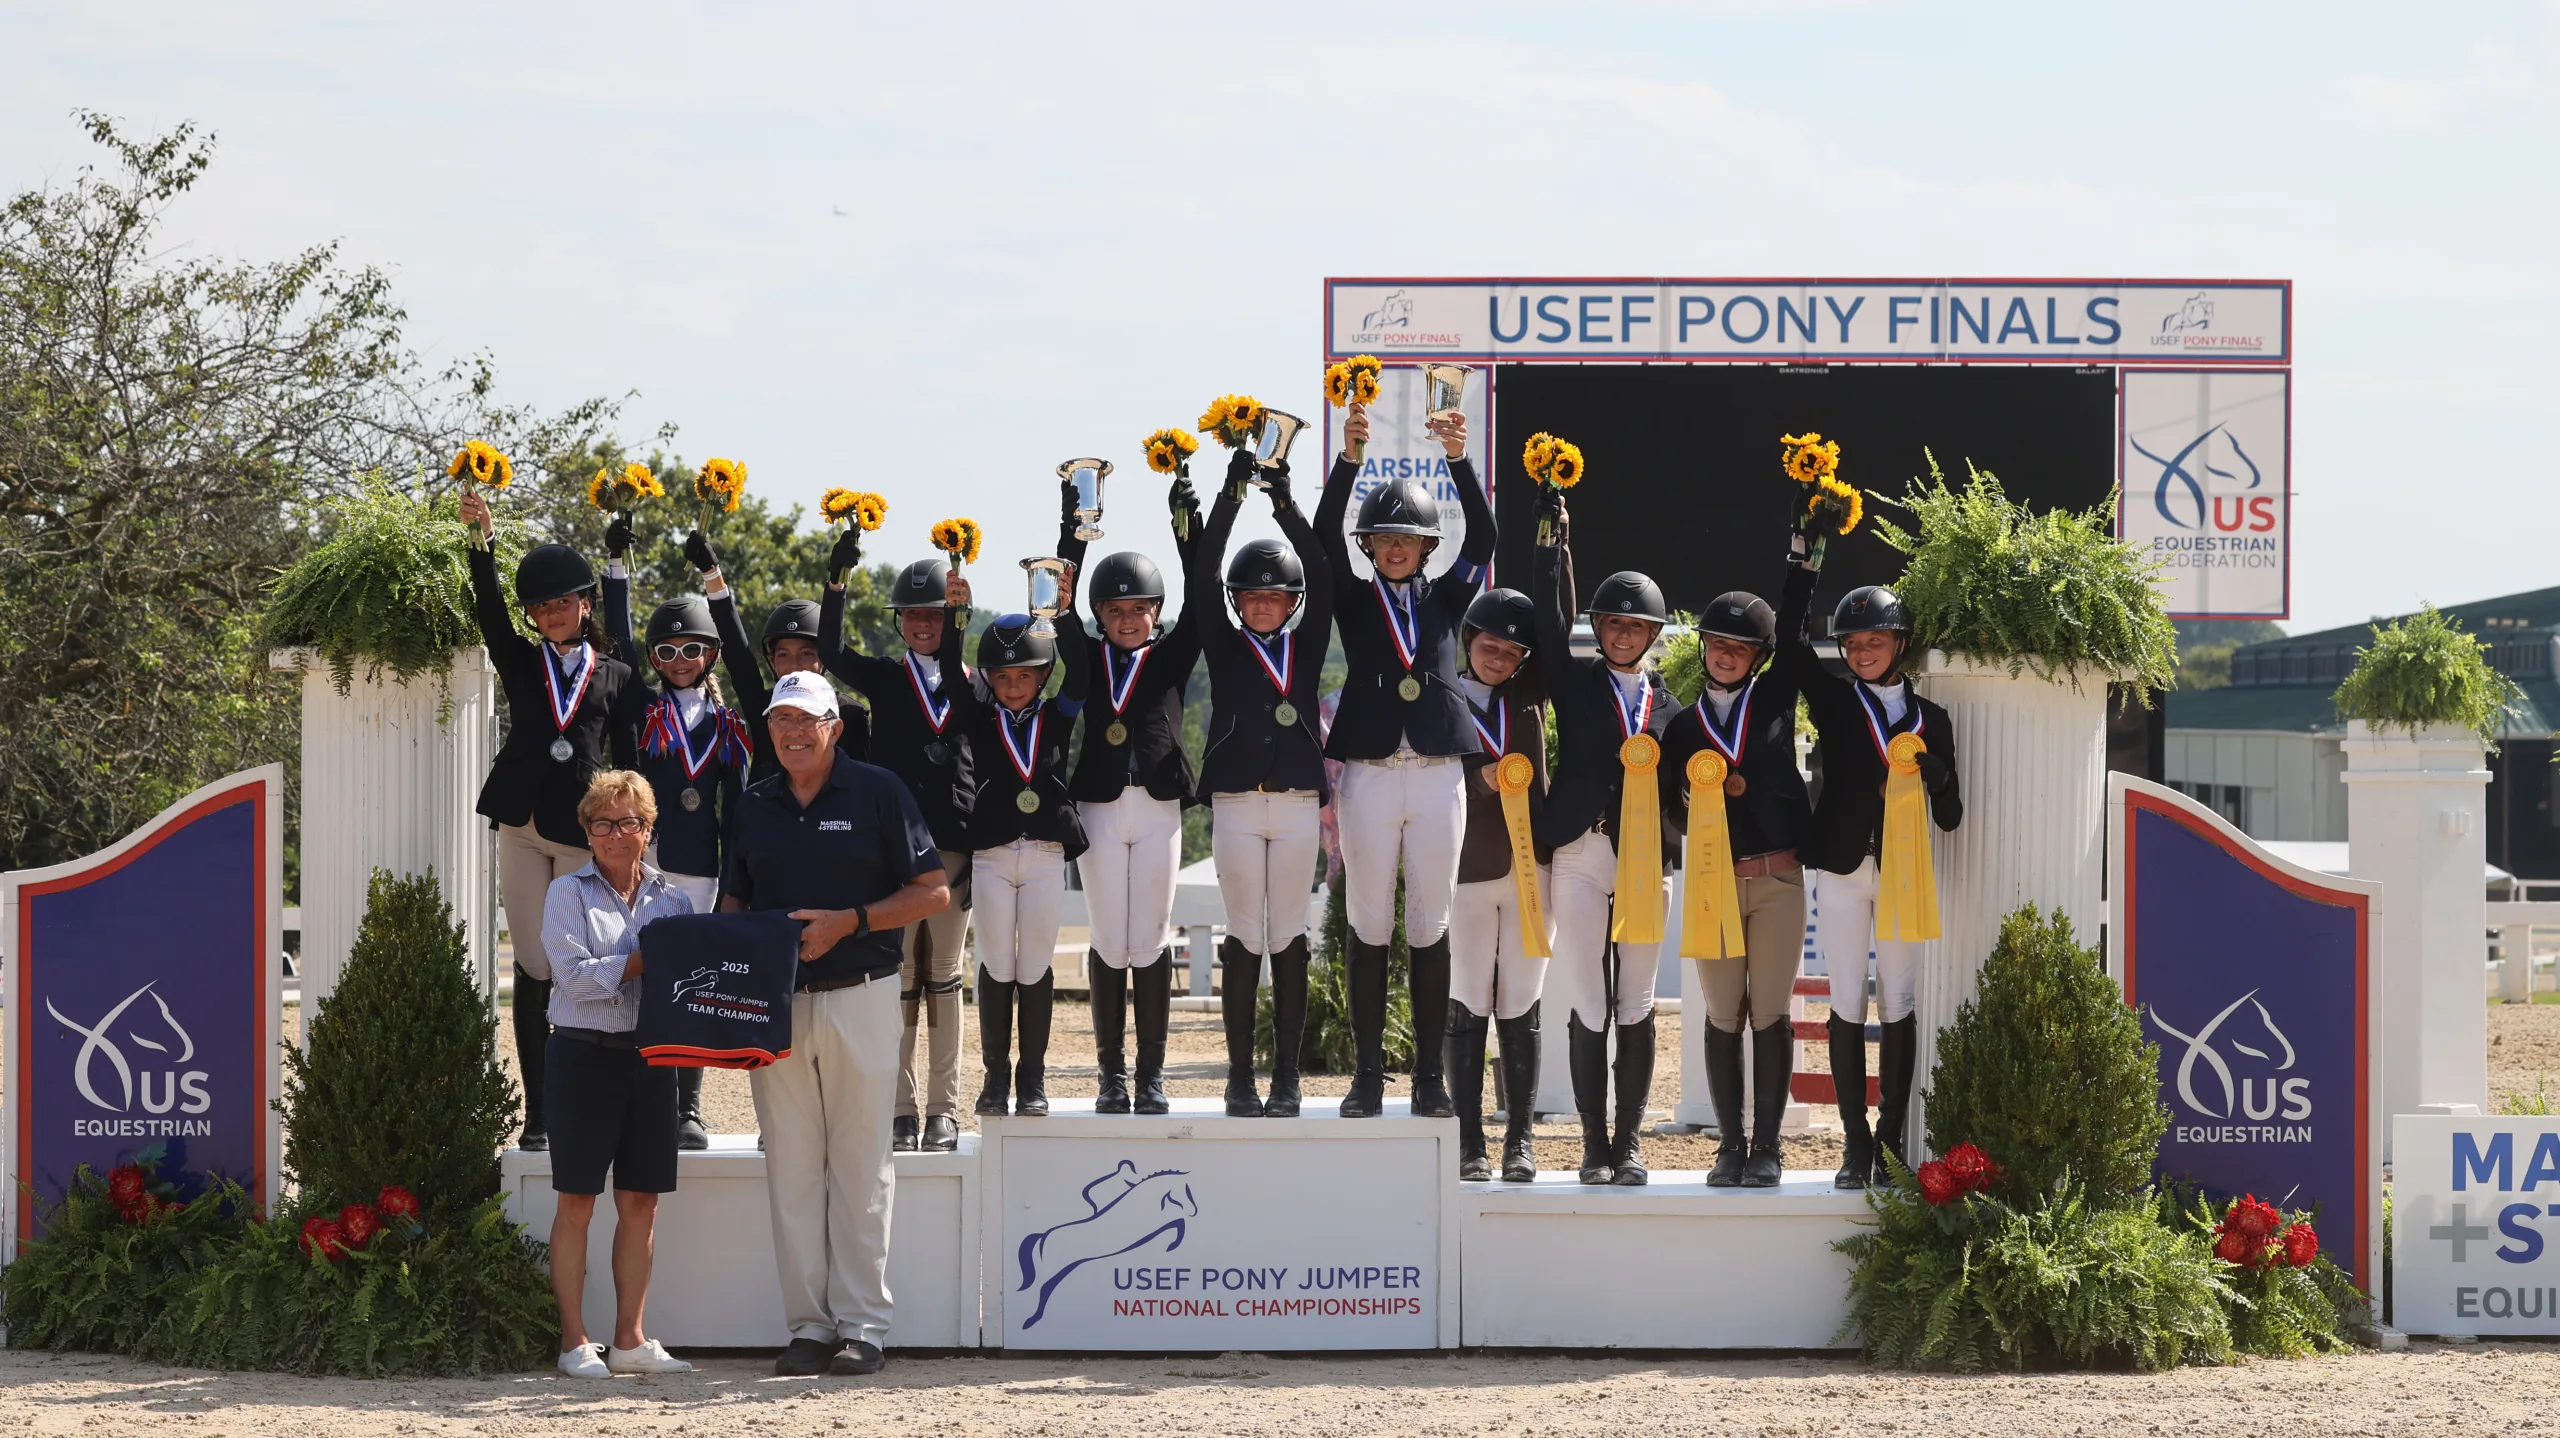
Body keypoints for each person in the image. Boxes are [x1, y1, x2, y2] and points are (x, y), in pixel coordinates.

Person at [721, 670, 951, 1377]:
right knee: (790, 1166)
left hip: (864, 992)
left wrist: (849, 922)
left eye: (807, 720)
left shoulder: (880, 791)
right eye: (781, 720)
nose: (793, 732)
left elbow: (934, 891)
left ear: (835, 728)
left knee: (860, 1164)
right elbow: (733, 904)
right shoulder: (754, 804)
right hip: (779, 1004)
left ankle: (864, 1325)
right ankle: (810, 1326)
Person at [1313, 400, 1495, 1117]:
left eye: (1409, 539)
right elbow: (1323, 535)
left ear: (1425, 547)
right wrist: (1348, 458)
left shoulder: (1451, 597)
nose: (1396, 548)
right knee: (1367, 921)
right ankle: (1365, 1075)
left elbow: (1482, 533)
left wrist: (1458, 460)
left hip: (1436, 774)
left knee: (1431, 921)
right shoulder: (1353, 603)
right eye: (1384, 538)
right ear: (1370, 546)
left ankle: (1428, 1077)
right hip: (1368, 774)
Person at [1776, 531, 1963, 1189]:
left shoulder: (1932, 719)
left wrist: (1936, 774)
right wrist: (1804, 565)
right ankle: (1854, 1146)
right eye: (1852, 645)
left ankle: (1890, 1140)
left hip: (1905, 878)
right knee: (1847, 998)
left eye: (1873, 643)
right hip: (1842, 870)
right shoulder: (1833, 700)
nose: (1860, 653)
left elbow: (1952, 817)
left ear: (1899, 645)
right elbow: (1792, 649)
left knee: (1901, 1000)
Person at [461, 489, 643, 1154]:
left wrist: (629, 835)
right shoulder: (523, 660)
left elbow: (629, 761)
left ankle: (588, 1100)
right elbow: (486, 615)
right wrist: (481, 543)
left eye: (561, 603)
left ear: (584, 604)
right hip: (521, 824)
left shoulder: (617, 674)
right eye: (540, 607)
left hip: (581, 834)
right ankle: (538, 1114)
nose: (551, 614)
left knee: (580, 967)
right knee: (534, 966)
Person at [1530, 496, 1677, 1186]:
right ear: (1600, 627)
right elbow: (1546, 618)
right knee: (1589, 998)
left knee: (1637, 1001)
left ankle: (1631, 1142)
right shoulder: (1576, 682)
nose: (1622, 635)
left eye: (1634, 626)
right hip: (1582, 853)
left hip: (1647, 860)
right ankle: (1592, 1142)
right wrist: (1553, 540)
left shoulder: (1672, 706)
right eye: (1613, 623)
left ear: (1651, 633)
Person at [817, 531, 973, 1153]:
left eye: (934, 614)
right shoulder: (884, 678)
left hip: (955, 845)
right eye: (912, 614)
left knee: (946, 975)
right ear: (901, 622)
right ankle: (902, 1105)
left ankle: (945, 1108)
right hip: (898, 849)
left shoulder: (972, 680)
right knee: (900, 976)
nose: (922, 624)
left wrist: (963, 615)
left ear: (949, 617)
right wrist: (837, 581)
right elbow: (829, 649)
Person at [1055, 476, 1206, 1114]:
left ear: (1154, 612)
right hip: (1097, 805)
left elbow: (1202, 602)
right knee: (1106, 938)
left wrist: (1187, 523)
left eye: (1137, 609)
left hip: (1159, 805)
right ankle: (1110, 1076)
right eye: (1114, 611)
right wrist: (1073, 525)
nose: (1126, 619)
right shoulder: (1086, 658)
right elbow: (1056, 602)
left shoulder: (1170, 658)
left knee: (1149, 938)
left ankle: (1151, 1076)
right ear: (1100, 616)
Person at [603, 517, 754, 1150]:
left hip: (700, 869)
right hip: (645, 867)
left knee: (691, 983)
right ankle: (641, 1102)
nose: (679, 661)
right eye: (667, 652)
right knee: (641, 979)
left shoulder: (729, 725)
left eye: (692, 649)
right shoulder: (643, 710)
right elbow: (620, 640)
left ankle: (687, 1107)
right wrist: (616, 567)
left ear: (711, 654)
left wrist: (735, 887)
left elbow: (739, 810)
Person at [540, 770, 695, 1378]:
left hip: (652, 1060)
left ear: (648, 829)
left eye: (627, 822)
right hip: (581, 1055)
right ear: (587, 830)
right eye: (601, 823)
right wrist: (643, 960)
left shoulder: (675, 901)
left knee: (641, 1201)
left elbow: (689, 982)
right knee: (576, 1199)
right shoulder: (565, 894)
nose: (613, 834)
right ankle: (575, 1341)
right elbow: (572, 977)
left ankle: (629, 1339)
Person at [1191, 460, 1333, 1117]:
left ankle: (1287, 1077)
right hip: (1239, 804)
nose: (1262, 605)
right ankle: (1241, 1076)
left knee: (1290, 935)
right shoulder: (1224, 644)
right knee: (1245, 933)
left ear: (1292, 602)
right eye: (1250, 597)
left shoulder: (1305, 645)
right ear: (1238, 602)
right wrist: (1228, 496)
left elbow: (1325, 572)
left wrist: (1283, 502)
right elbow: (1200, 575)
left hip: (1299, 801)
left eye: (1274, 598)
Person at [1660, 590, 1811, 1188]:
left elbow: (1797, 632)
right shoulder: (1682, 728)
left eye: (1740, 647)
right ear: (1704, 649)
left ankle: (1768, 1147)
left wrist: (1805, 559)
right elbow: (1670, 811)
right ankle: (1730, 1144)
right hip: (1712, 884)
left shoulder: (1774, 700)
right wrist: (1696, 806)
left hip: (1776, 880)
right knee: (1724, 1012)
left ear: (1759, 656)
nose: (1726, 655)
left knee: (1770, 1010)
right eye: (1718, 644)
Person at [938, 567, 1088, 1118]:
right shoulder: (979, 718)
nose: (1013, 685)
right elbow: (954, 683)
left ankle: (1034, 1079)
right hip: (994, 853)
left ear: (1041, 674)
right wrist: (957, 617)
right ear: (990, 678)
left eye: (1025, 675)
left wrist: (1065, 618)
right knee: (997, 964)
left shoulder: (1057, 716)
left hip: (1047, 853)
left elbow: (1082, 679)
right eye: (1002, 676)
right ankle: (996, 1077)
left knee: (1036, 967)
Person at [1446, 585, 1553, 1181]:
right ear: (1470, 642)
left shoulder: (1530, 694)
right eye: (1491, 646)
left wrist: (1554, 547)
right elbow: (1437, 766)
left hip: (1531, 869)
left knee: (1522, 1002)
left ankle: (1519, 1139)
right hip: (1467, 868)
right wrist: (1482, 777)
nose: (1500, 659)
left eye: (1513, 653)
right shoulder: (1444, 694)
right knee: (1469, 999)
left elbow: (1557, 631)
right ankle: (1468, 1141)